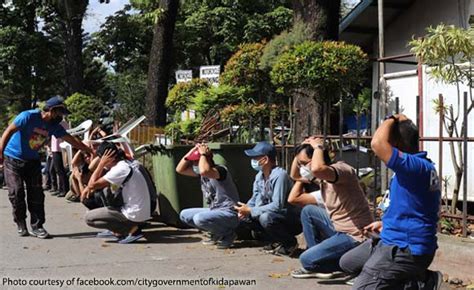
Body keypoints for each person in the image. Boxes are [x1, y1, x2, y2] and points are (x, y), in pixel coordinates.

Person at [339, 114, 443, 289]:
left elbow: (377, 144)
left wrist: (391, 118)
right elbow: (414, 206)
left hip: (405, 248)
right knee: (347, 263)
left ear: (395, 143)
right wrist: (385, 223)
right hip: (391, 237)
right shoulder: (416, 167)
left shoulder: (415, 167)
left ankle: (420, 282)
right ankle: (409, 280)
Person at [0, 96, 93, 238]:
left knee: (36, 194)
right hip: (13, 159)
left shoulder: (54, 126)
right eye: (60, 113)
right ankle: (21, 223)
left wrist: (89, 150)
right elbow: (8, 131)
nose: (61, 117)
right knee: (17, 192)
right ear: (51, 110)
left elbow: (70, 139)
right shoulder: (28, 116)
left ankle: (37, 226)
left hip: (32, 161)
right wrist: (0, 153)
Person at [290, 139, 373, 279]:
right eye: (301, 164)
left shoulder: (341, 170)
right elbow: (295, 176)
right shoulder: (322, 179)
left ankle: (356, 265)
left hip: (355, 235)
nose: (303, 168)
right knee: (308, 211)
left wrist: (318, 147)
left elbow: (317, 168)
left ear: (318, 156)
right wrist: (299, 154)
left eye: (305, 163)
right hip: (339, 229)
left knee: (306, 260)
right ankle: (320, 259)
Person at [235, 141, 301, 256]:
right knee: (245, 218)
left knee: (266, 217)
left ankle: (289, 243)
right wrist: (244, 210)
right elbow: (255, 198)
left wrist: (251, 210)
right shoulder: (259, 176)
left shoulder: (280, 175)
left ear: (265, 159)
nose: (253, 161)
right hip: (272, 214)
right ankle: (275, 241)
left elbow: (277, 206)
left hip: (290, 218)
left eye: (255, 157)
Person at [83, 141, 153, 244]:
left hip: (134, 213)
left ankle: (131, 230)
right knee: (106, 192)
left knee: (89, 218)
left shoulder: (121, 169)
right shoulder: (127, 163)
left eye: (101, 159)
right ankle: (117, 229)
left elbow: (91, 185)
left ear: (108, 158)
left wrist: (101, 165)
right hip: (141, 210)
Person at [177, 144, 240, 249]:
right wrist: (192, 151)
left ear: (207, 158)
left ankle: (228, 234)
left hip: (229, 213)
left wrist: (203, 154)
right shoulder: (202, 173)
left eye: (197, 161)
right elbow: (179, 169)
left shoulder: (219, 170)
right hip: (214, 211)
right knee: (184, 215)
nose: (195, 164)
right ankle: (217, 233)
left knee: (199, 219)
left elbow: (204, 170)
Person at [49, 119, 69, 197]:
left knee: (60, 170)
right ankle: (60, 189)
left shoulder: (63, 123)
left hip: (59, 149)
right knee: (56, 170)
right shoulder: (53, 123)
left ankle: (64, 189)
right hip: (54, 148)